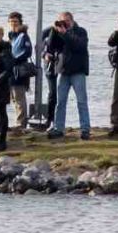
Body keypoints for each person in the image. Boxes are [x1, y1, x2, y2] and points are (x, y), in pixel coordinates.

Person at [47, 12, 91, 140]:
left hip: (78, 71)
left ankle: (85, 129)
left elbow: (79, 46)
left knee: (81, 101)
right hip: (64, 71)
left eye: (66, 21)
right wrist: (54, 32)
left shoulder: (80, 31)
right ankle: (58, 128)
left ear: (72, 20)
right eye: (61, 21)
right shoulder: (60, 33)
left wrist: (66, 33)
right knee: (60, 102)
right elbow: (51, 46)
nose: (64, 23)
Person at [6, 12, 35, 126]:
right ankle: (18, 122)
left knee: (19, 97)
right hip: (11, 71)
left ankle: (21, 123)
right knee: (14, 98)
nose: (13, 24)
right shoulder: (10, 36)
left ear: (20, 23)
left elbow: (28, 52)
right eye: (11, 21)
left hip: (20, 70)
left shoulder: (23, 36)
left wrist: (15, 60)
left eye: (16, 22)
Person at [40, 15, 64, 126]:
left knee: (62, 92)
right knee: (52, 92)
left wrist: (63, 32)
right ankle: (50, 119)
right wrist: (44, 55)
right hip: (50, 64)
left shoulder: (67, 32)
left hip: (63, 63)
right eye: (58, 22)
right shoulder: (47, 31)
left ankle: (59, 120)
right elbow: (39, 47)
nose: (60, 24)